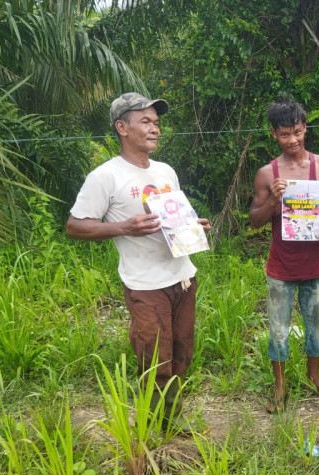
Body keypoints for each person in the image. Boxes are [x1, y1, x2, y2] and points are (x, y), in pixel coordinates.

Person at [66, 92, 211, 433]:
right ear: (121, 127)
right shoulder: (106, 177)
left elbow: (174, 218)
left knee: (182, 354)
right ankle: (151, 430)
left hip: (183, 277)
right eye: (145, 122)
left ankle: (171, 420)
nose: (154, 129)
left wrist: (194, 225)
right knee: (154, 359)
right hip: (145, 284)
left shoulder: (165, 172)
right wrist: (123, 227)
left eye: (156, 122)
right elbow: (75, 225)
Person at [249, 98, 319, 414]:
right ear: (274, 134)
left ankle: (314, 377)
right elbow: (254, 220)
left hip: (315, 264)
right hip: (281, 266)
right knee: (278, 328)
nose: (293, 141)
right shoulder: (268, 174)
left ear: (306, 129)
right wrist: (274, 201)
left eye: (298, 132)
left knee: (316, 324)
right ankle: (280, 386)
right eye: (285, 134)